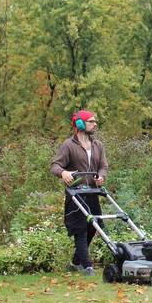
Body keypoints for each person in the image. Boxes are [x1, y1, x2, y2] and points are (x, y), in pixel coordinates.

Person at [50, 110, 109, 275]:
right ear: (81, 125)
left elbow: (103, 166)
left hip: (92, 192)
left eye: (95, 121)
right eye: (91, 121)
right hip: (76, 194)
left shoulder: (98, 145)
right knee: (80, 229)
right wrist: (63, 173)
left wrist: (101, 177)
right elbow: (55, 165)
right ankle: (86, 265)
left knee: (93, 227)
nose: (95, 124)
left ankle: (77, 262)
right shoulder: (68, 145)